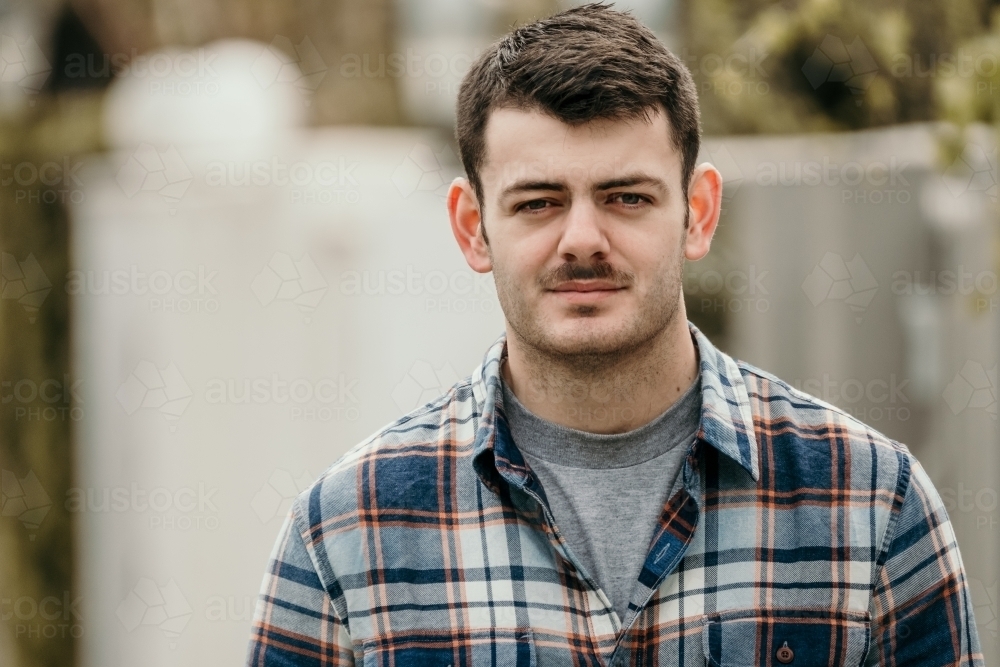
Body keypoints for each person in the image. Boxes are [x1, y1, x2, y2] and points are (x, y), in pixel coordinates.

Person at [246, 5, 983, 666]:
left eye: (626, 197)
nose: (583, 239)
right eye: (538, 202)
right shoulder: (346, 532)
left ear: (697, 211)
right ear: (473, 228)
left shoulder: (868, 504)